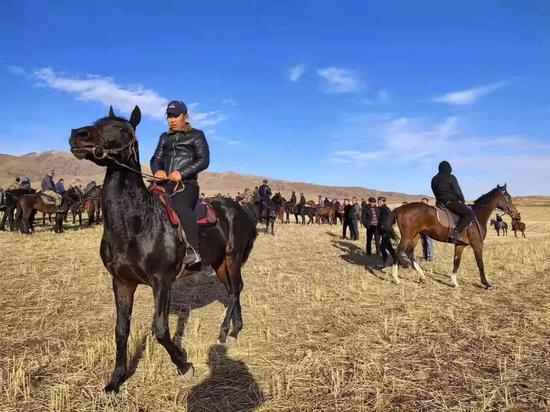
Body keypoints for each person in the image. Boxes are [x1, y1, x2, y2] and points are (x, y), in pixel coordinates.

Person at [150, 100, 210, 271]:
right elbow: (155, 158)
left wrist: (181, 173)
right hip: (163, 183)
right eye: (169, 116)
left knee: (181, 206)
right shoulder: (164, 137)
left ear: (186, 116)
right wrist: (158, 170)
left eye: (176, 116)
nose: (172, 119)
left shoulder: (196, 135)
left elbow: (203, 160)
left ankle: (193, 251)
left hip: (186, 185)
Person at [431, 160, 473, 243]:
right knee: (470, 214)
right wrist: (462, 200)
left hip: (439, 203)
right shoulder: (451, 177)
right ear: (449, 168)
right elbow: (457, 190)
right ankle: (456, 232)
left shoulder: (434, 178)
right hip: (450, 202)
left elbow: (433, 190)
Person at [377, 197, 395, 269]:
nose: (379, 203)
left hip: (385, 231)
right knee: (389, 247)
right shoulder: (386, 209)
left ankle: (386, 264)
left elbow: (383, 220)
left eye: (380, 202)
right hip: (386, 230)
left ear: (384, 202)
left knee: (382, 248)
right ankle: (397, 261)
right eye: (378, 202)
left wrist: (383, 226)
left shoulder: (384, 209)